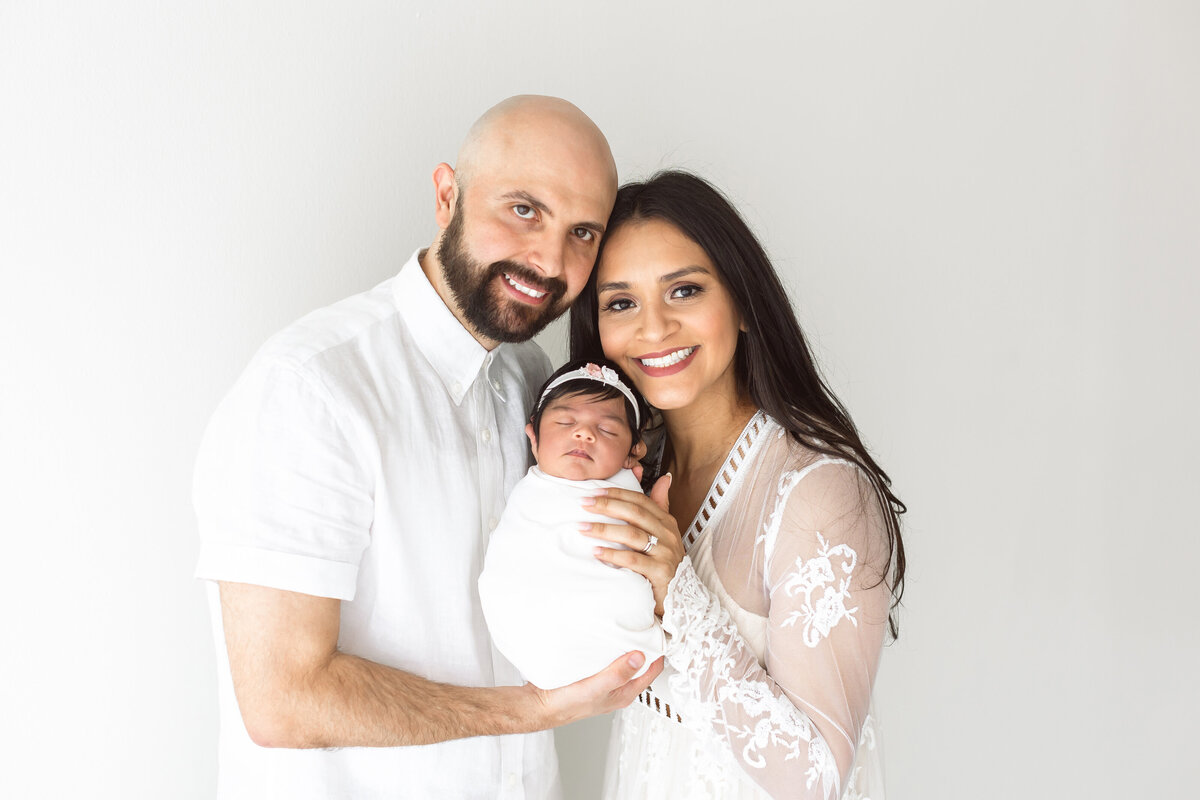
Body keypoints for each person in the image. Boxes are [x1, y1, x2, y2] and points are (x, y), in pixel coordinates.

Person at [191, 95, 664, 800]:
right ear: (448, 195)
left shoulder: (540, 388)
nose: (549, 258)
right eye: (524, 210)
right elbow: (283, 697)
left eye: (583, 233)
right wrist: (532, 713)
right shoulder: (312, 387)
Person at [567, 171, 907, 799]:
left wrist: (676, 589)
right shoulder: (632, 475)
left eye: (685, 290)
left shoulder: (816, 493)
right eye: (621, 303)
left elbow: (816, 780)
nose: (654, 327)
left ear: (744, 304)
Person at [479, 358, 665, 690]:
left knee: (627, 594)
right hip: (530, 629)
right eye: (565, 421)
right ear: (533, 437)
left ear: (632, 451)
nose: (583, 433)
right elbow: (511, 565)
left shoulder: (631, 495)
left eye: (607, 429)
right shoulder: (529, 497)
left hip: (618, 636)